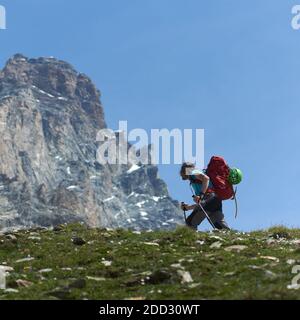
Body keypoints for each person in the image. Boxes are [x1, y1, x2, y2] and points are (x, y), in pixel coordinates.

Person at [180, 162, 230, 231]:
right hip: (215, 200)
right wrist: (188, 207)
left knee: (190, 222)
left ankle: (191, 240)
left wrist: (201, 195)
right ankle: (235, 240)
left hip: (209, 198)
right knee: (220, 227)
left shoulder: (192, 171)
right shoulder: (198, 175)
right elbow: (202, 204)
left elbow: (206, 178)